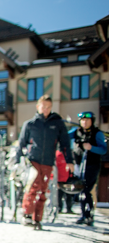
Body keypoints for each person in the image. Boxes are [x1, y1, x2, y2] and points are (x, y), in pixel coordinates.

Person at [15, 95, 74, 230]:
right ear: (38, 107)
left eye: (48, 107)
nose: (46, 109)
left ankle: (37, 218)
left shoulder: (57, 123)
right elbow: (21, 144)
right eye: (43, 107)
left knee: (43, 190)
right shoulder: (30, 124)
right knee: (33, 187)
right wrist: (18, 162)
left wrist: (69, 161)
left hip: (48, 161)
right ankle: (27, 214)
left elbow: (65, 143)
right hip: (33, 161)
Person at [69, 111, 108, 226]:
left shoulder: (97, 133)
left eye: (87, 120)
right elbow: (64, 135)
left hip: (92, 165)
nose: (85, 122)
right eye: (82, 120)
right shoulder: (76, 132)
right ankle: (84, 214)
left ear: (92, 121)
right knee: (81, 189)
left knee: (86, 189)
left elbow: (103, 149)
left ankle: (89, 215)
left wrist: (91, 147)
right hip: (79, 165)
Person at [55, 150, 75, 215]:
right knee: (59, 195)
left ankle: (69, 208)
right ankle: (59, 208)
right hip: (60, 179)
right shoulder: (58, 155)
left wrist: (71, 176)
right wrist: (56, 180)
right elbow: (55, 168)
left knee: (69, 195)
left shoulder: (69, 155)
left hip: (68, 178)